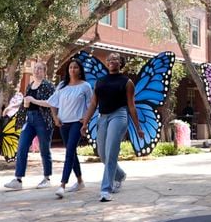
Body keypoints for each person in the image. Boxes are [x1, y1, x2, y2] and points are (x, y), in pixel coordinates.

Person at [80, 53, 144, 202]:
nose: (112, 61)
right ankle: (120, 175)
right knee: (102, 154)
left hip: (119, 115)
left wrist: (138, 127)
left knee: (111, 153)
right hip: (102, 117)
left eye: (115, 59)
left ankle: (105, 189)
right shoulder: (99, 82)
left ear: (120, 62)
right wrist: (85, 123)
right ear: (107, 62)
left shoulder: (127, 82)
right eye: (109, 59)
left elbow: (131, 106)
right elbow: (93, 104)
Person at [27, 59, 92, 198]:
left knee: (69, 152)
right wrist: (55, 117)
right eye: (70, 67)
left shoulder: (85, 86)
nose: (72, 70)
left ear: (80, 70)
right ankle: (80, 181)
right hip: (63, 124)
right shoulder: (62, 85)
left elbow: (91, 105)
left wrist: (86, 120)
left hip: (77, 123)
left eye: (75, 67)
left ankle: (62, 184)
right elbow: (52, 102)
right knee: (72, 153)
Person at [4, 61, 56, 190]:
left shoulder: (48, 85)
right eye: (36, 68)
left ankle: (47, 178)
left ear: (44, 71)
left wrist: (35, 101)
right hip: (30, 119)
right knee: (21, 147)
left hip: (43, 119)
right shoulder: (30, 85)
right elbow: (25, 101)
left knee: (44, 149)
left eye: (40, 69)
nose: (37, 71)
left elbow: (52, 103)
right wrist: (12, 106)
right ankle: (18, 179)